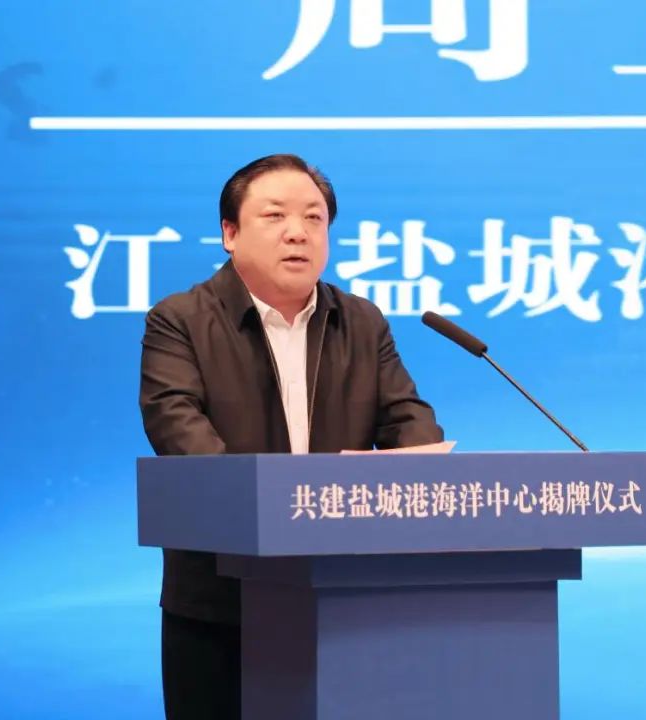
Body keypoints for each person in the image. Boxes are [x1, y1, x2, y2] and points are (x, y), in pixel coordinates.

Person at [139, 153, 443, 720]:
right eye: (275, 215)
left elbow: (406, 418)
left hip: (345, 596)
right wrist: (276, 509)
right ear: (230, 233)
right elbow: (178, 430)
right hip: (223, 600)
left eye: (314, 218)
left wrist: (427, 472)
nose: (298, 232)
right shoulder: (179, 320)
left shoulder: (361, 321)